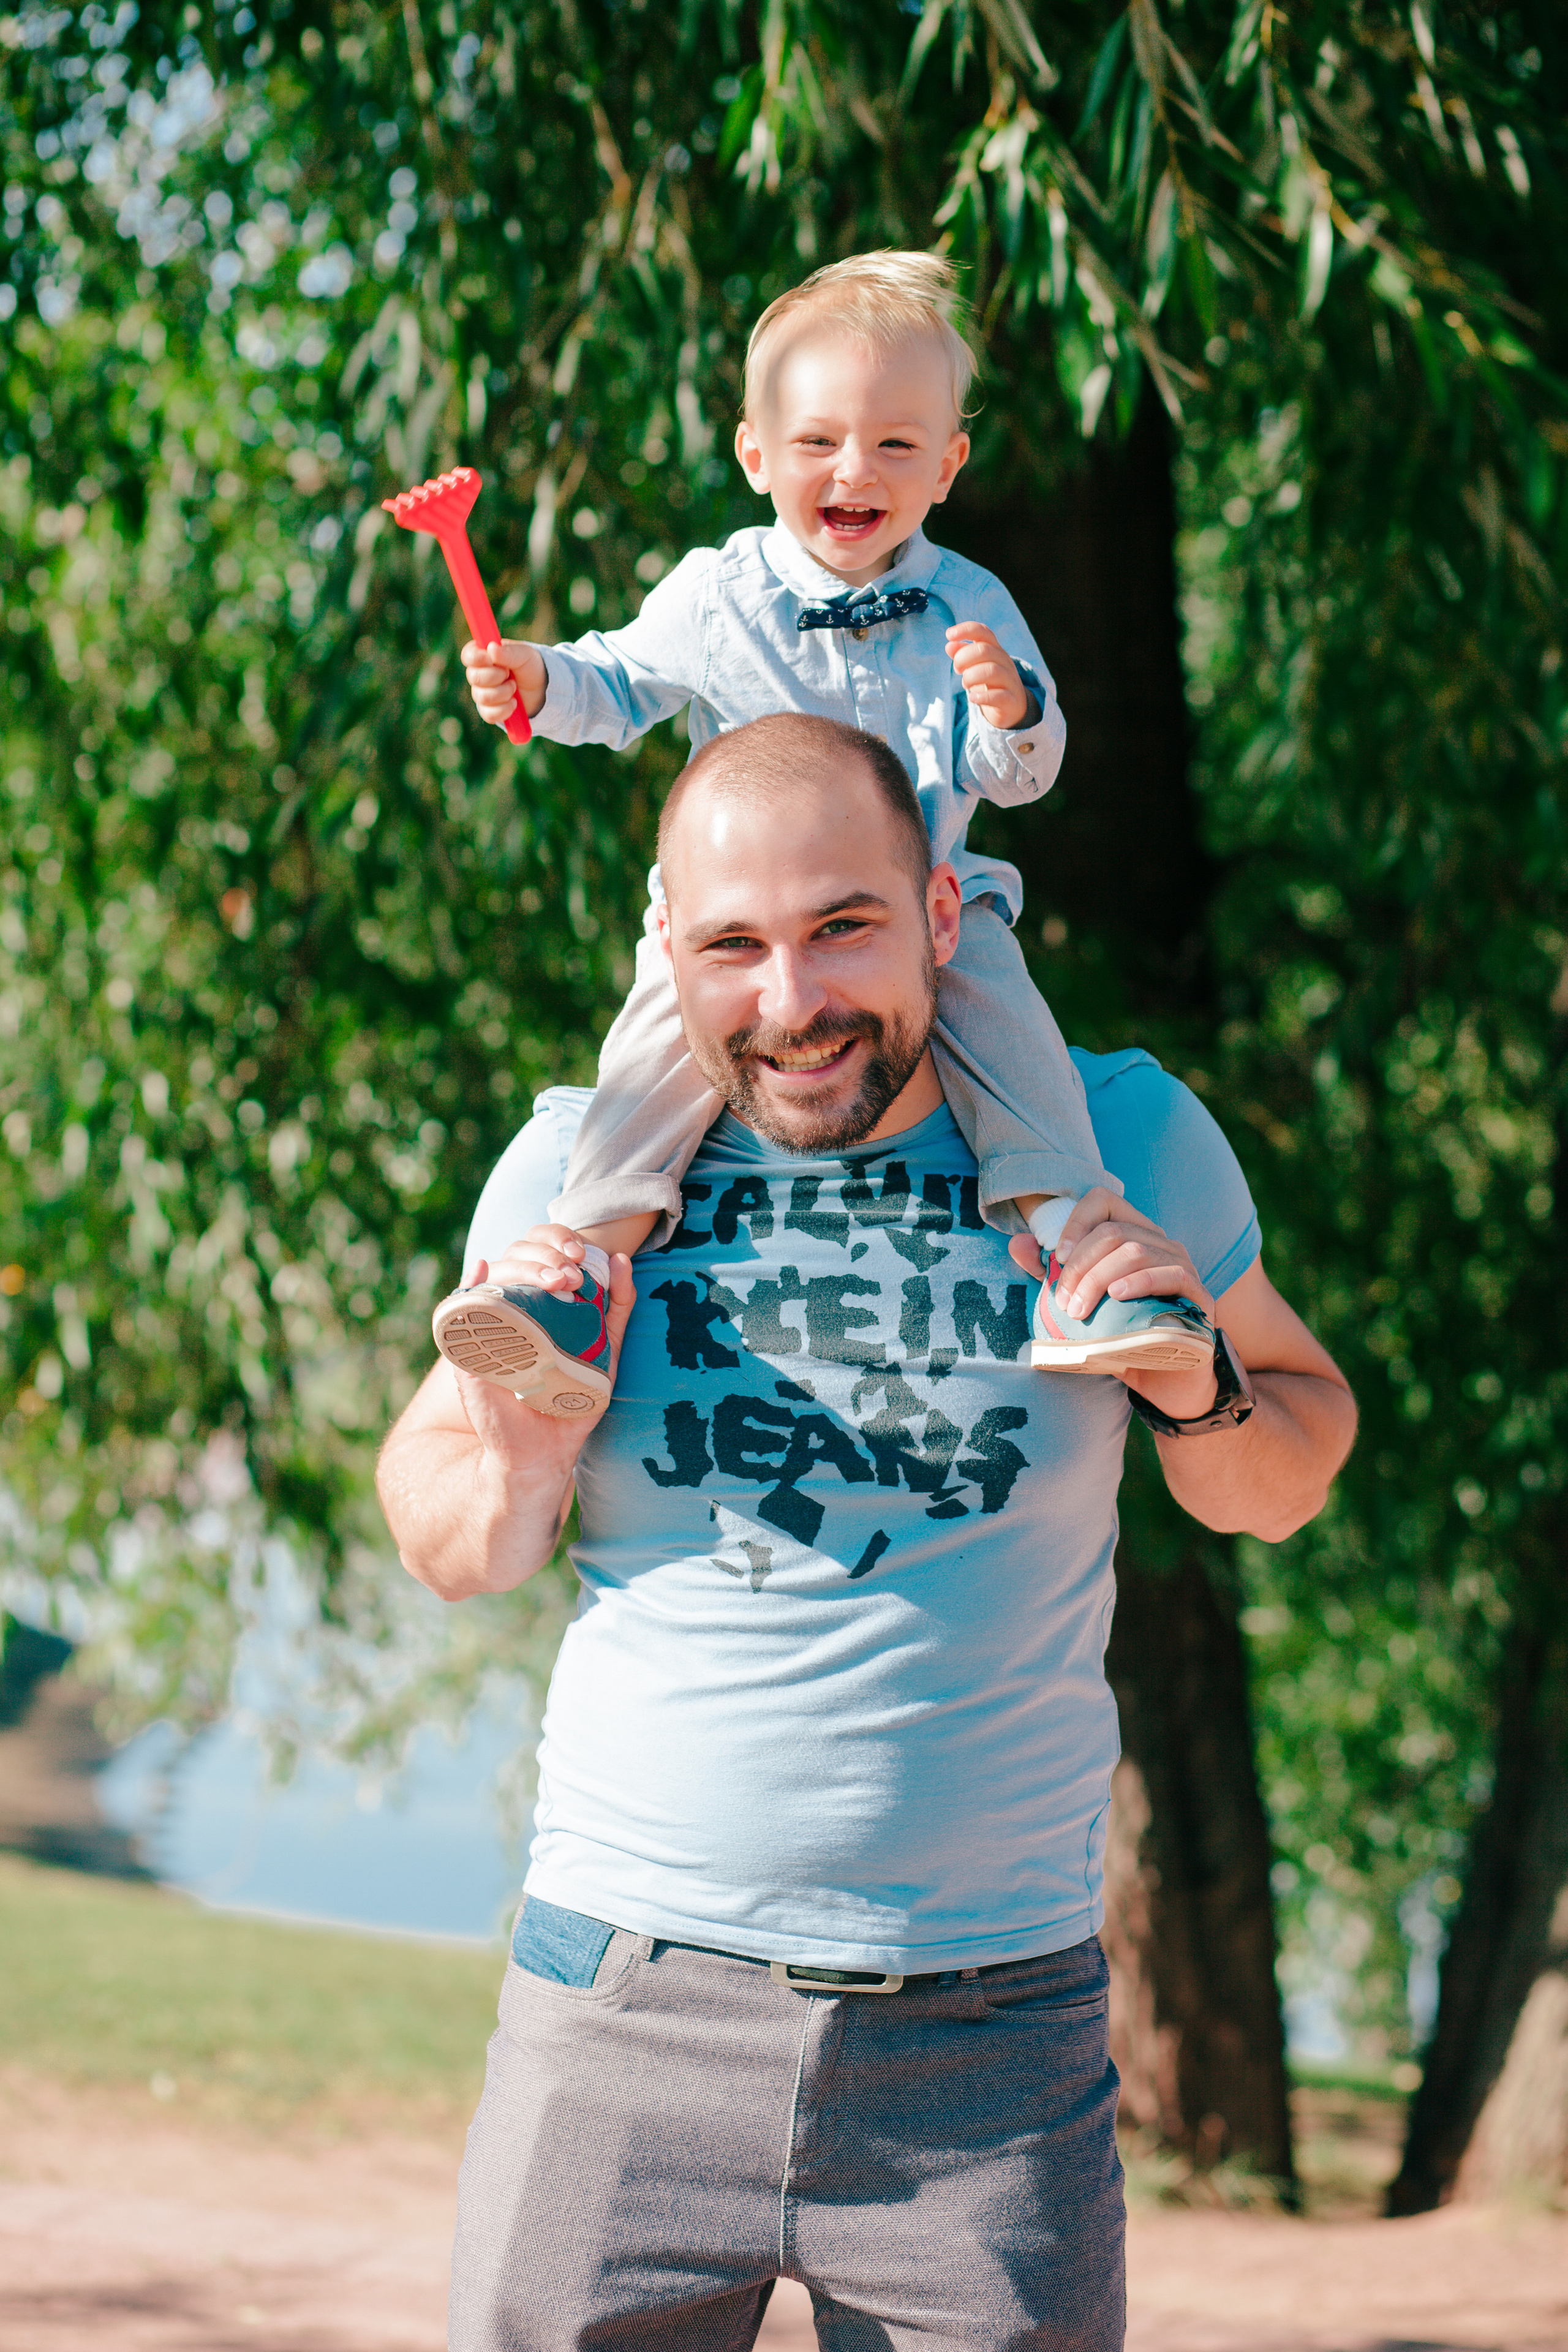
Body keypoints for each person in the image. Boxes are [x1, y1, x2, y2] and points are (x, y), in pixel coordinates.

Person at [377, 714, 1356, 2352]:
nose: (792, 1002)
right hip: (619, 2022)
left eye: (842, 926)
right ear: (667, 950)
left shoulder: (1111, 1144)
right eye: (733, 947)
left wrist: (1197, 1390)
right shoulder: (582, 1170)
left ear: (941, 913)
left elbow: (1296, 1458)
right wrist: (520, 1465)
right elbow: (442, 1528)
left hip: (989, 2063)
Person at [441, 249, 1215, 1410]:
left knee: (1022, 1058)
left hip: (927, 907)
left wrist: (1012, 711)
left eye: (897, 445)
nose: (856, 469)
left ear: (947, 466)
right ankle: (581, 1282)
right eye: (818, 442)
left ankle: (1079, 1261)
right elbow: (621, 682)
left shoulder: (971, 606)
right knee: (646, 1071)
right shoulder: (715, 595)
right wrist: (540, 680)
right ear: (757, 455)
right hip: (743, 924)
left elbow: (1019, 776)